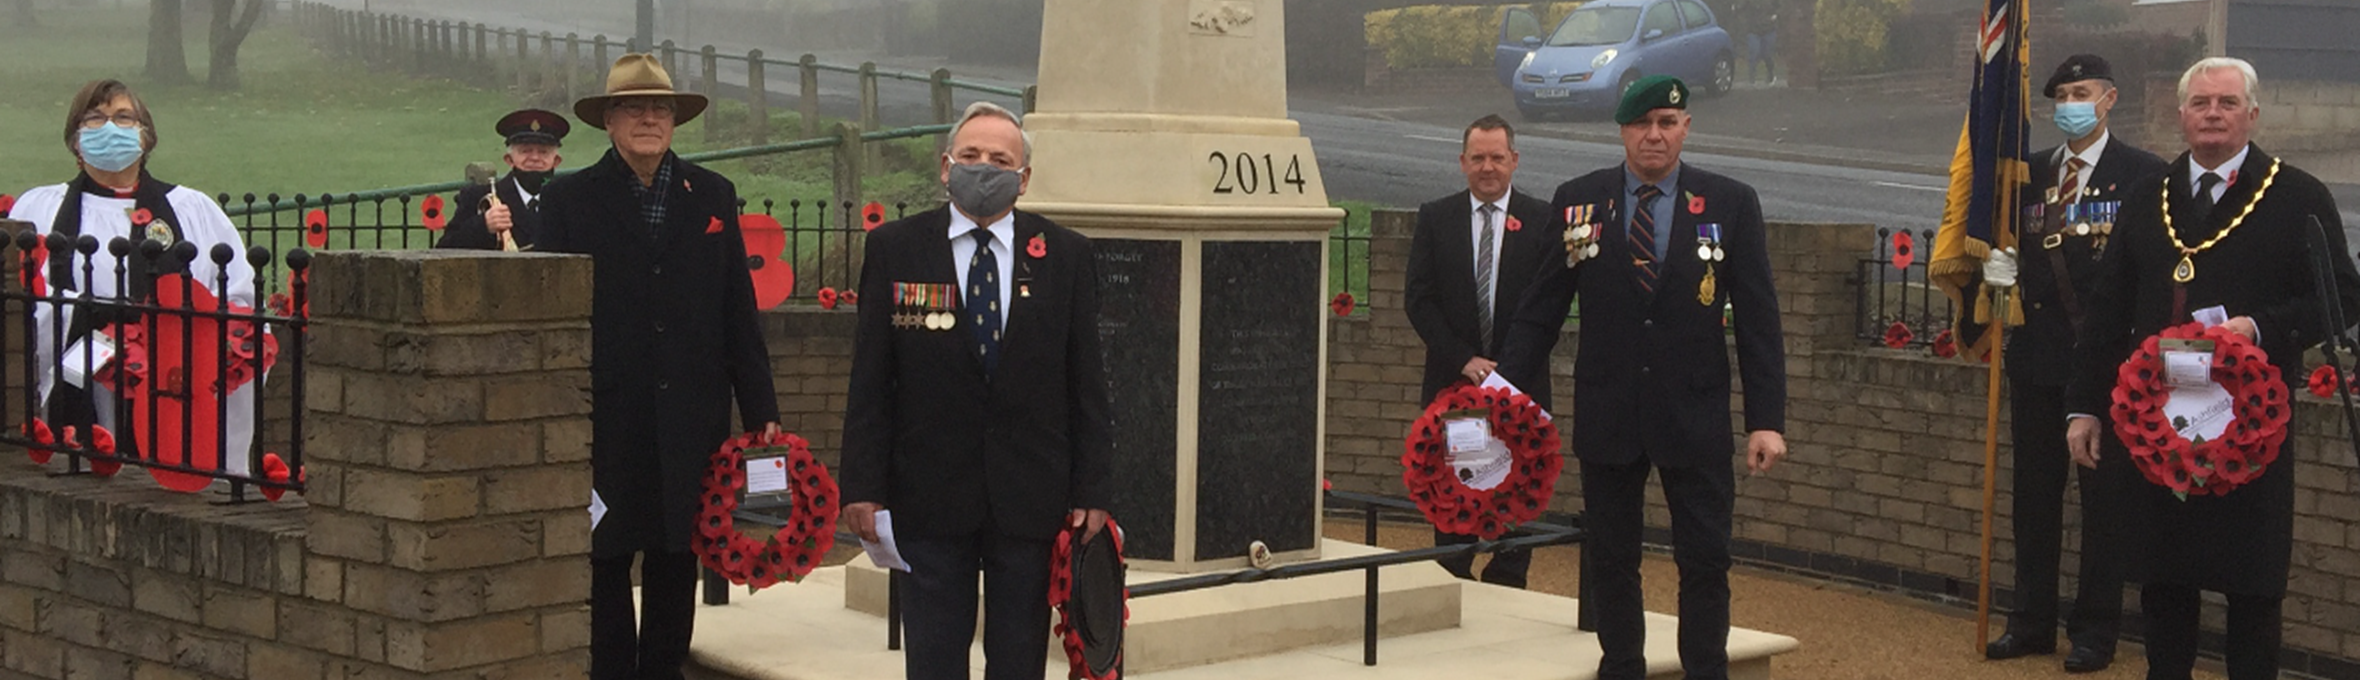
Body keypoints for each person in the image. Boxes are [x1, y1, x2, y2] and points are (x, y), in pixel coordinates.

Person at [2064, 57, 2360, 680]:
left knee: (2251, 590)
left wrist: (2261, 328)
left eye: (2227, 103)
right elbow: (2109, 308)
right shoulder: (2150, 195)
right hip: (2159, 429)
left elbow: (2343, 296)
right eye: (2201, 103)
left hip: (2249, 431)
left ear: (2252, 114)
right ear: (2181, 115)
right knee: (2165, 584)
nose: (2213, 114)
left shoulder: (2298, 196)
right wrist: (2085, 405)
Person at [1497, 76, 1788, 680]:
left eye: (1666, 122)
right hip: (1611, 413)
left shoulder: (1730, 202)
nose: (1653, 136)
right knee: (1612, 560)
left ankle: (1705, 670)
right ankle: (1621, 667)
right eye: (1641, 124)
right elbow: (1540, 311)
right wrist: (1497, 398)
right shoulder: (1580, 201)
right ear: (1622, 130)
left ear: (1685, 128)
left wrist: (1766, 421)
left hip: (1695, 416)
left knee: (1705, 561)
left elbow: (1760, 321)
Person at [839, 101, 1113, 680]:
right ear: (945, 167)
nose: (984, 168)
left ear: (1025, 177)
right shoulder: (896, 249)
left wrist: (1093, 487)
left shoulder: (1065, 256)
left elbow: (1086, 382)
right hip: (928, 496)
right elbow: (871, 380)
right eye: (971, 156)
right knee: (934, 661)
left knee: (1018, 662)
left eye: (999, 159)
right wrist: (862, 486)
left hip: (1030, 499)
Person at [535, 54, 780, 680]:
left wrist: (763, 414)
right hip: (606, 417)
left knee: (678, 557)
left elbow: (737, 314)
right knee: (604, 557)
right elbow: (551, 320)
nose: (650, 119)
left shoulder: (713, 195)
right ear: (610, 121)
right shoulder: (568, 200)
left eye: (661, 109)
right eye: (635, 108)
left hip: (691, 416)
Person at [1979, 54, 2167, 673]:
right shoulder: (2026, 176)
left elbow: (2150, 275)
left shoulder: (2143, 175)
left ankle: (2095, 631)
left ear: (2109, 99)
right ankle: (2030, 621)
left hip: (2109, 368)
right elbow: (2014, 257)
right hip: (2036, 362)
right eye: (2061, 93)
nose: (2069, 103)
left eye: (2081, 92)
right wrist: (1997, 281)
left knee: (2104, 507)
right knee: (2033, 500)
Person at [13, 79, 260, 478]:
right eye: (95, 118)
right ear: (76, 140)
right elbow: (25, 299)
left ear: (145, 136)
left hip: (170, 376)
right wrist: (91, 322)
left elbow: (237, 293)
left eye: (123, 117)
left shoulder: (192, 209)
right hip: (79, 373)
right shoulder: (42, 207)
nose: (109, 128)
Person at [1405, 114, 1555, 589]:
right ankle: (1451, 584)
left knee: (1517, 492)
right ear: (1462, 162)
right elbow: (1419, 299)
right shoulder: (1436, 217)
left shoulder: (1544, 221)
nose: (1487, 167)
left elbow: (1550, 304)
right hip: (1457, 389)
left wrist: (1506, 372)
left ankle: (1509, 585)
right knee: (1455, 494)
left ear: (1514, 160)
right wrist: (1465, 361)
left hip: (1521, 389)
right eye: (1478, 158)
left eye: (1497, 157)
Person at [437, 108, 567, 251]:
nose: (535, 158)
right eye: (525, 151)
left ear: (556, 161)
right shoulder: (476, 197)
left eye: (543, 152)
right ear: (509, 159)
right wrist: (483, 225)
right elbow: (444, 249)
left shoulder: (569, 199)